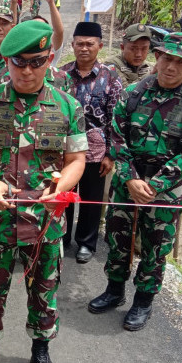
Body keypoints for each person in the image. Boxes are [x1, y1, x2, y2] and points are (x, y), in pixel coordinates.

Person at [0, 21, 87, 363]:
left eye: (36, 61)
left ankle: (41, 354)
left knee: (44, 290)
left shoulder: (67, 106)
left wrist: (61, 185)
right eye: (19, 63)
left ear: (48, 60)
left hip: (45, 223)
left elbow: (77, 158)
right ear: (6, 61)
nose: (27, 71)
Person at [88, 33, 182, 331]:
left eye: (180, 62)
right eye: (167, 58)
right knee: (118, 238)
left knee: (156, 247)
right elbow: (116, 136)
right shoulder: (132, 93)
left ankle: (143, 301)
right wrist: (130, 178)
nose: (171, 67)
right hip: (126, 184)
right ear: (157, 57)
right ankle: (114, 291)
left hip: (165, 191)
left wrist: (155, 185)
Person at [59, 22, 122, 263]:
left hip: (96, 153)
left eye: (90, 44)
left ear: (100, 46)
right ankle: (62, 238)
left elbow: (117, 120)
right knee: (63, 195)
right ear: (73, 45)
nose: (84, 48)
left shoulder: (111, 78)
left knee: (92, 200)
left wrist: (111, 154)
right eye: (80, 44)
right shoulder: (62, 76)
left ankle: (86, 243)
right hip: (65, 151)